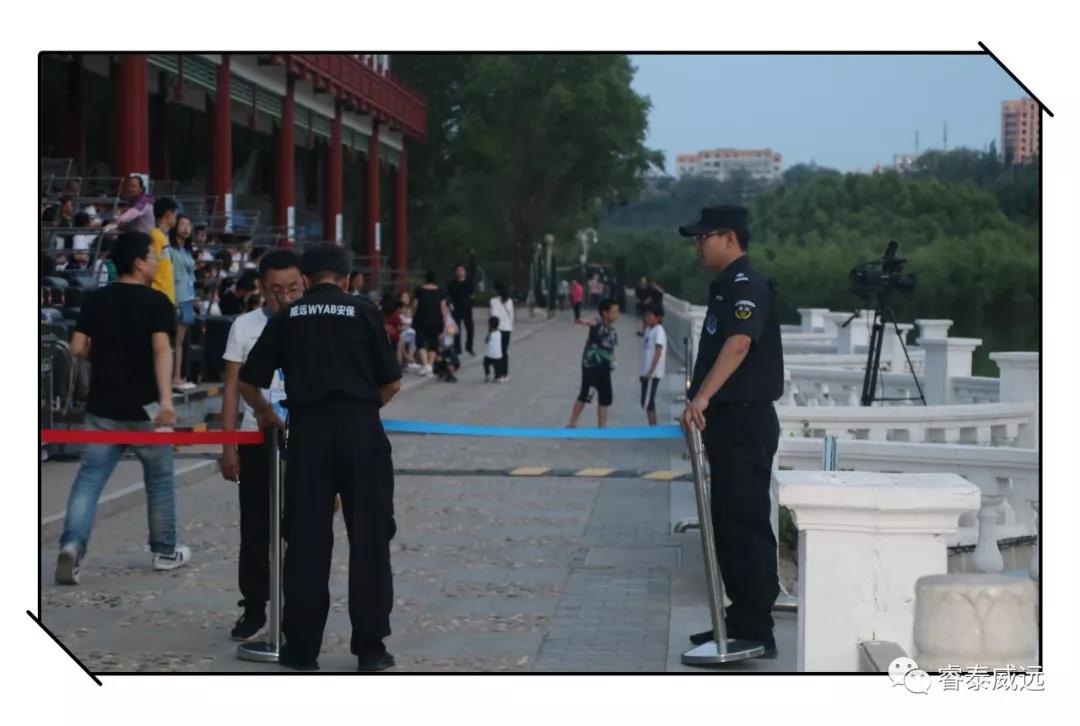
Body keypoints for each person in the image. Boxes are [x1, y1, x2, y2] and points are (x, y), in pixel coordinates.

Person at [238, 244, 402, 672]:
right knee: (369, 541)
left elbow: (249, 380)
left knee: (306, 543)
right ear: (346, 279)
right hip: (361, 433)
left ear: (305, 280)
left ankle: (302, 649)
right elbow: (392, 382)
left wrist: (265, 413)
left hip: (308, 434)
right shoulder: (364, 311)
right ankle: (370, 649)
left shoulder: (288, 316)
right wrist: (362, 411)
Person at [677, 205, 784, 659]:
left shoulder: (747, 285)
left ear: (729, 238)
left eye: (704, 237)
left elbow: (739, 343)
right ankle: (737, 620)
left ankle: (757, 628)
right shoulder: (725, 288)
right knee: (727, 522)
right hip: (728, 423)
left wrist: (702, 397)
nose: (698, 246)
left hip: (744, 420)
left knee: (745, 523)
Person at [55, 232, 191, 586]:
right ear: (138, 263)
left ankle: (71, 545)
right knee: (159, 480)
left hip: (102, 406)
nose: (157, 262)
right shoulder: (157, 302)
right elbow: (162, 350)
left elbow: (76, 348)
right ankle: (165, 550)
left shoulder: (96, 299)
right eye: (153, 256)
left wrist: (103, 349)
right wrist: (166, 401)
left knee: (89, 480)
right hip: (146, 408)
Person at [220, 250, 305, 641]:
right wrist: (228, 445)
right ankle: (254, 607)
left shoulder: (312, 323)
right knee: (255, 529)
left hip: (305, 437)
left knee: (301, 528)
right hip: (256, 437)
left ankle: (297, 609)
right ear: (261, 288)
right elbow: (232, 387)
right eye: (275, 290)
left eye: (293, 288)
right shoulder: (245, 326)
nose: (284, 297)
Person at [566, 298, 620, 429]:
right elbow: (591, 322)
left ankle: (602, 427)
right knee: (585, 395)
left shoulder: (613, 331)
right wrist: (582, 321)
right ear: (605, 313)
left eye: (617, 312)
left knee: (604, 398)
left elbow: (611, 349)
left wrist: (613, 361)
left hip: (605, 368)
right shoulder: (598, 323)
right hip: (591, 367)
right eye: (613, 312)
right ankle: (572, 423)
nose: (616, 315)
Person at [170, 214, 198, 390]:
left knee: (181, 341)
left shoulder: (187, 251)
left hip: (188, 297)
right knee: (176, 341)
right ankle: (174, 377)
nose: (186, 228)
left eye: (188, 225)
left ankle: (178, 376)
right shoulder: (170, 250)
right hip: (177, 296)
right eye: (182, 224)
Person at [412, 271, 447, 376]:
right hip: (436, 320)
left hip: (421, 319)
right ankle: (430, 365)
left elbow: (415, 305)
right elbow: (443, 308)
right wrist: (444, 321)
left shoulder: (419, 290)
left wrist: (413, 315)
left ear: (425, 278)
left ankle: (425, 364)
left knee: (421, 342)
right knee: (433, 343)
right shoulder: (441, 291)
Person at [639, 302, 668, 426]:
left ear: (658, 317)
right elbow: (647, 353)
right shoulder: (648, 330)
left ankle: (653, 426)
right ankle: (652, 425)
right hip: (647, 372)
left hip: (653, 373)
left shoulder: (659, 331)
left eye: (650, 316)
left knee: (648, 401)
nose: (647, 318)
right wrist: (643, 372)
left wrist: (651, 371)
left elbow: (658, 352)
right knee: (647, 401)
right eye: (646, 316)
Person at [149, 197, 177, 306]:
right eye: (175, 214)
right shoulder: (156, 236)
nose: (176, 218)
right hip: (158, 295)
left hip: (167, 295)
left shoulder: (163, 237)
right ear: (168, 215)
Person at [447, 263, 475, 356]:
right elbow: (448, 296)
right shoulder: (451, 284)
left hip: (467, 309)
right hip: (456, 309)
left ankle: (469, 347)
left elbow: (472, 294)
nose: (460, 272)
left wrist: (471, 302)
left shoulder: (469, 282)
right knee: (456, 330)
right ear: (455, 272)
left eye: (462, 270)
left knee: (470, 329)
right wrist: (450, 304)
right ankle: (457, 348)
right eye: (458, 270)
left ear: (465, 272)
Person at [490, 282, 514, 382]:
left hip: (497, 329)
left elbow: (494, 316)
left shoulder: (493, 301)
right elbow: (511, 316)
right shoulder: (509, 301)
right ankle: (505, 374)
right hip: (507, 329)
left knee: (497, 353)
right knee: (504, 352)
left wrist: (491, 329)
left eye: (493, 289)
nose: (492, 291)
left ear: (497, 290)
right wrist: (510, 326)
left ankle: (498, 375)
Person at [482, 315, 503, 383]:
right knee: (497, 366)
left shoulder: (490, 333)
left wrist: (489, 332)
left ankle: (487, 375)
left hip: (489, 354)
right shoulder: (499, 333)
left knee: (485, 364)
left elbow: (486, 341)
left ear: (489, 325)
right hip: (498, 355)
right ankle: (497, 377)